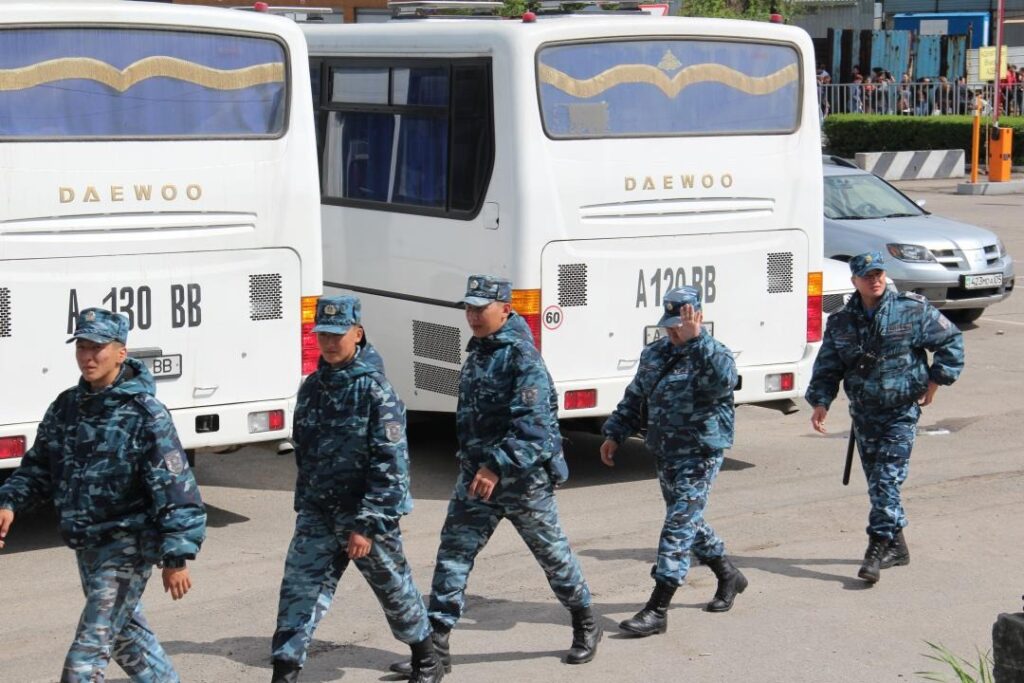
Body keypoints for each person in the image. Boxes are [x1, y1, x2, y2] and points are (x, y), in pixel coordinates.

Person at [390, 274, 600, 678]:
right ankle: (436, 648)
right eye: (468, 308)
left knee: (553, 556)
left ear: (505, 309)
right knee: (453, 555)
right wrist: (476, 465)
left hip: (522, 482)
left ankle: (586, 622)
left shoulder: (522, 357)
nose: (472, 316)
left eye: (480, 309)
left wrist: (495, 466)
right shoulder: (480, 352)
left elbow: (534, 429)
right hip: (476, 479)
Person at [0, 308, 206, 682]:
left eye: (97, 348)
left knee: (85, 658)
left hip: (128, 545)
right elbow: (39, 466)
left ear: (121, 353)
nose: (88, 356)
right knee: (129, 642)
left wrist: (177, 556)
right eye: (82, 347)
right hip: (87, 545)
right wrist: (9, 501)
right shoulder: (66, 407)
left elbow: (175, 487)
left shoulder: (145, 414)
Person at [270, 295, 442, 683]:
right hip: (317, 513)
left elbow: (391, 465)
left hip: (365, 515)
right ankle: (284, 672)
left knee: (393, 587)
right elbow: (304, 449)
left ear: (358, 334)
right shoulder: (312, 388)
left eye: (338, 334)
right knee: (298, 592)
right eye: (323, 335)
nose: (330, 342)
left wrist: (367, 524)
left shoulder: (375, 391)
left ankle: (426, 659)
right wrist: (307, 503)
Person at [806, 252, 964, 584]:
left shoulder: (911, 309)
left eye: (878, 273)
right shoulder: (841, 322)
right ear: (854, 281)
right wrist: (821, 402)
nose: (874, 280)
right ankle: (898, 547)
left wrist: (936, 381)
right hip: (864, 415)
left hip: (900, 412)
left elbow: (950, 339)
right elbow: (828, 366)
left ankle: (876, 548)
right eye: (867, 276)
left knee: (885, 481)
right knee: (879, 485)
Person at [600, 286, 745, 637]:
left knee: (678, 524)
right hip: (665, 449)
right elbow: (636, 395)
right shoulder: (655, 354)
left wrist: (697, 342)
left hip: (701, 451)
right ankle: (728, 574)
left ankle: (657, 608)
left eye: (680, 324)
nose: (673, 331)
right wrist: (615, 432)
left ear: (697, 318)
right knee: (687, 520)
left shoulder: (715, 353)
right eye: (669, 324)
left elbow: (722, 383)